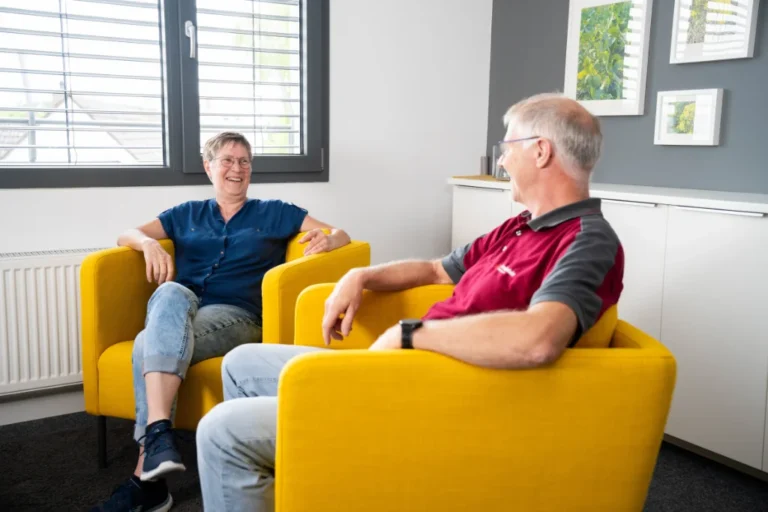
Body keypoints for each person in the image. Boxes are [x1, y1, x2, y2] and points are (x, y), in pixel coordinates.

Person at [195, 93, 625, 511]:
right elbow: (436, 270)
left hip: (435, 399)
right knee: (242, 361)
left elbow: (540, 338)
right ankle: (310, 484)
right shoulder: (519, 227)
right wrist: (359, 275)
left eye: (506, 146)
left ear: (540, 152)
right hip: (404, 372)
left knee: (220, 431)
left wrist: (411, 334)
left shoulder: (587, 239)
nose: (500, 160)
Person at [89, 131, 351, 512]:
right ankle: (160, 438)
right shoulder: (187, 214)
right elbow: (126, 234)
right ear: (208, 167)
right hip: (187, 310)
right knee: (168, 293)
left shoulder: (274, 211)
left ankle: (149, 475)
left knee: (150, 341)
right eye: (227, 160)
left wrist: (330, 239)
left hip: (239, 317)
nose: (237, 168)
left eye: (244, 161)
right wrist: (146, 244)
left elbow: (341, 234)